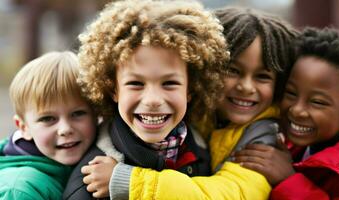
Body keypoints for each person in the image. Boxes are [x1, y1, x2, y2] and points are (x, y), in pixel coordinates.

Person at [68, 5, 298, 200]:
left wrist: (129, 180)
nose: (246, 87)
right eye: (233, 70)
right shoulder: (196, 118)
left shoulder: (263, 139)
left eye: (263, 76)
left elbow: (228, 193)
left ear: (193, 84)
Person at [62, 0, 229, 199]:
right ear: (112, 88)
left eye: (169, 83)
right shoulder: (89, 185)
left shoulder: (204, 149)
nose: (152, 100)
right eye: (136, 83)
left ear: (191, 89)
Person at [235, 28, 339, 199]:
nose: (296, 109)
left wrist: (288, 180)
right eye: (291, 93)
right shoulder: (283, 141)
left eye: (317, 102)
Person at [0, 51, 97, 200]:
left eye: (78, 113)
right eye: (47, 118)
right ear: (24, 127)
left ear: (98, 114)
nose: (65, 129)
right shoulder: (19, 191)